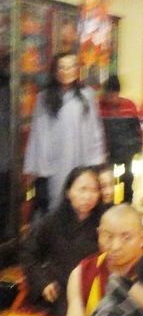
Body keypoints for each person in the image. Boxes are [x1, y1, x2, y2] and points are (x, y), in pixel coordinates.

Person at [23, 52, 105, 217]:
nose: (67, 71)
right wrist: (39, 169)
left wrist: (96, 162)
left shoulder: (87, 95)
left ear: (77, 69)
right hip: (55, 162)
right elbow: (39, 134)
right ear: (55, 70)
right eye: (62, 67)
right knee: (56, 203)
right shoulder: (45, 98)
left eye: (71, 67)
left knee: (80, 202)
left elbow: (94, 130)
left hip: (81, 158)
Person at [19, 165, 105, 316]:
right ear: (68, 192)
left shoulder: (104, 223)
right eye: (82, 189)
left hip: (93, 292)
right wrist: (42, 282)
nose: (88, 196)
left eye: (94, 190)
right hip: (58, 293)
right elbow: (28, 253)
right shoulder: (52, 221)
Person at [64, 204, 143, 316]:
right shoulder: (82, 273)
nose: (115, 246)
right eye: (108, 236)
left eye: (126, 238)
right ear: (98, 234)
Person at [99, 74, 142, 203]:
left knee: (127, 181)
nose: (111, 98)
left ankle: (127, 206)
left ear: (118, 92)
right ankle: (108, 207)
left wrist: (138, 150)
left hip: (127, 151)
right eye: (108, 95)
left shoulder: (129, 106)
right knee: (107, 182)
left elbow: (136, 130)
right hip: (108, 153)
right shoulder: (99, 106)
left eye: (114, 95)